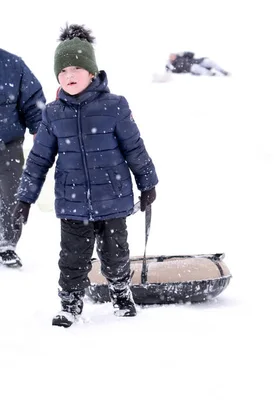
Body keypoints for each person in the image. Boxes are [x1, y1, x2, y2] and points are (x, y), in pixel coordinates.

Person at [12, 24, 159, 328]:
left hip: (113, 199)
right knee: (72, 259)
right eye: (63, 70)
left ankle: (120, 292)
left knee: (116, 256)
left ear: (92, 71)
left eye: (77, 67)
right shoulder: (53, 114)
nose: (70, 75)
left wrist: (147, 183)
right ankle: (69, 304)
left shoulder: (115, 106)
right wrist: (25, 198)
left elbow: (134, 148)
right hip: (73, 202)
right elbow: (39, 159)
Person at [0, 48, 46, 268]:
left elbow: (33, 100)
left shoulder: (12, 64)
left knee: (12, 196)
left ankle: (6, 243)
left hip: (8, 145)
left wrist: (39, 129)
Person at [166, 52, 230, 76]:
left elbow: (192, 54)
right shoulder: (176, 65)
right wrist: (168, 67)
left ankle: (222, 71)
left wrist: (184, 53)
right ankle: (210, 74)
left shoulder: (183, 56)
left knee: (209, 61)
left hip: (197, 61)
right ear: (171, 60)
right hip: (191, 67)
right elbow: (176, 71)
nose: (173, 56)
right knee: (195, 67)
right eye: (171, 57)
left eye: (173, 55)